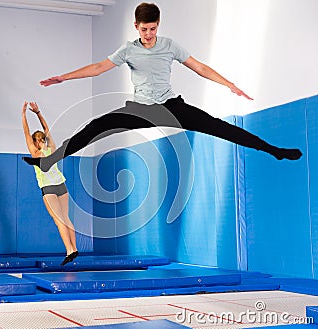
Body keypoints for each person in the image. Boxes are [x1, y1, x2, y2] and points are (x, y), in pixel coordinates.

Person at [23, 2, 302, 172]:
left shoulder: (169, 45)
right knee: (96, 126)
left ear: (158, 26)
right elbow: (99, 67)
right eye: (144, 29)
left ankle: (274, 150)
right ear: (136, 26)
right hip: (140, 109)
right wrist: (64, 77)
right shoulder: (128, 49)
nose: (148, 34)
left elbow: (200, 67)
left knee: (218, 126)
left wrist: (229, 84)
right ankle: (50, 160)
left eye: (153, 29)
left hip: (170, 106)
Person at [22, 101, 78, 266]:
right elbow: (47, 129)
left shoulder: (35, 152)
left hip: (49, 188)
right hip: (61, 185)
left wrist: (23, 115)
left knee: (58, 219)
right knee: (66, 217)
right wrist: (38, 113)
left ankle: (69, 250)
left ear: (35, 141)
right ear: (44, 140)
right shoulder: (51, 148)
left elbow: (26, 133)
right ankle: (74, 248)